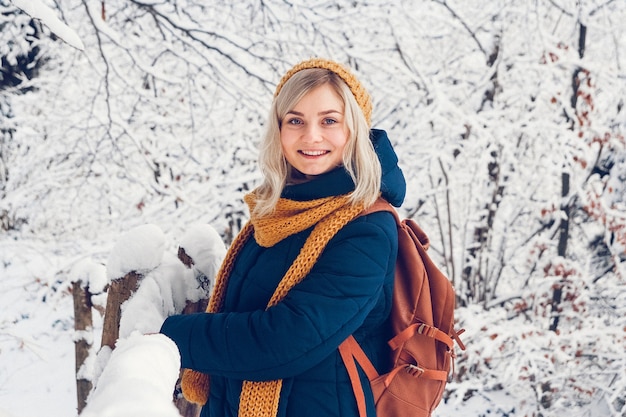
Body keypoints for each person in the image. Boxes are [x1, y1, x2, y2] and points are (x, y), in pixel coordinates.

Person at [160, 58, 406, 417]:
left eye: (329, 120)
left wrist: (170, 335)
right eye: (295, 120)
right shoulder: (278, 211)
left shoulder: (365, 229)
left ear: (355, 128)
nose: (311, 136)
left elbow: (284, 339)